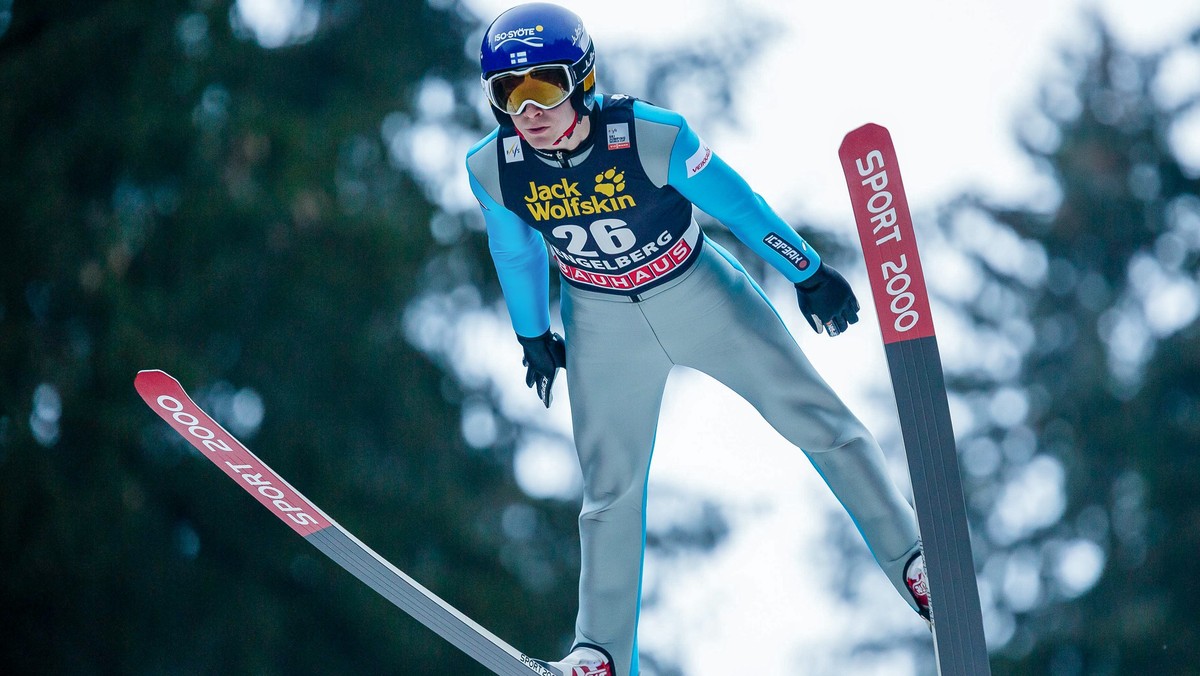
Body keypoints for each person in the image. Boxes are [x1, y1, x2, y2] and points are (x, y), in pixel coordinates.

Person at [465, 4, 930, 674]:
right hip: (600, 320)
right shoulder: (494, 167)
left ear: (585, 79)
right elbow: (513, 252)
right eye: (508, 93)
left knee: (816, 418)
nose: (529, 109)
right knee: (609, 491)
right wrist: (533, 334)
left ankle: (915, 559)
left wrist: (806, 270)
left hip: (699, 292)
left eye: (545, 86)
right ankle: (599, 654)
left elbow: (735, 203)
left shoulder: (649, 135)